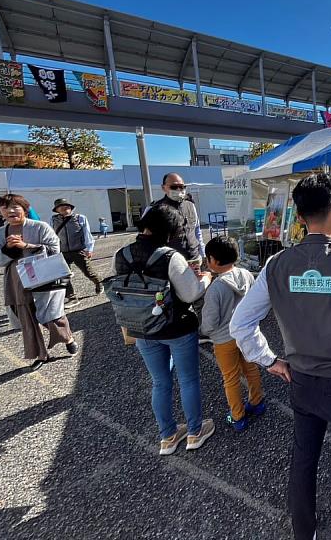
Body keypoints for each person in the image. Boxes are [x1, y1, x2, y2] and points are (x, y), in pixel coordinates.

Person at [230, 173, 331, 540]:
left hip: (301, 381)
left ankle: (305, 533)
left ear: (300, 216)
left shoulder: (276, 265)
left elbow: (240, 323)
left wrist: (270, 361)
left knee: (303, 459)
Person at [114, 204, 214, 456]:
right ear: (170, 229)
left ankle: (167, 436)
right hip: (176, 327)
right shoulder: (169, 256)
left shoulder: (121, 254)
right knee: (188, 380)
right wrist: (204, 278)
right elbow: (190, 293)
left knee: (160, 382)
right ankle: (194, 432)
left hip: (142, 328)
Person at [0, 194, 78, 371]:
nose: (11, 211)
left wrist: (27, 246)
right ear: (0, 212)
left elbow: (55, 248)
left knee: (52, 314)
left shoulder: (40, 227)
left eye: (15, 206)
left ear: (25, 209)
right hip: (16, 280)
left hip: (45, 275)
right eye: (5, 208)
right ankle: (41, 354)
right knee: (27, 317)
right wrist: (8, 251)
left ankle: (68, 338)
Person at [200, 236, 266, 432]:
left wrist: (205, 331)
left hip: (223, 339)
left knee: (231, 377)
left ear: (213, 260)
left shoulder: (215, 288)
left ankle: (237, 416)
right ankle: (257, 402)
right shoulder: (246, 274)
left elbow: (209, 323)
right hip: (246, 334)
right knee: (251, 369)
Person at [50, 198, 102, 306]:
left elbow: (87, 234)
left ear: (71, 208)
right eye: (61, 206)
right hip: (62, 252)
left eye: (67, 206)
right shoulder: (53, 219)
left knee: (88, 272)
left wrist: (89, 249)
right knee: (63, 275)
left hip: (79, 250)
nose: (65, 208)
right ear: (57, 210)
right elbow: (52, 236)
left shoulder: (80, 218)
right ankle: (71, 297)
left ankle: (98, 283)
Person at [149, 172, 205, 265]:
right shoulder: (155, 209)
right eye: (174, 187)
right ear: (163, 188)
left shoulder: (190, 205)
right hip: (170, 262)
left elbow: (197, 231)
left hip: (194, 258)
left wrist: (202, 254)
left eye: (182, 187)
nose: (179, 190)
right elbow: (148, 240)